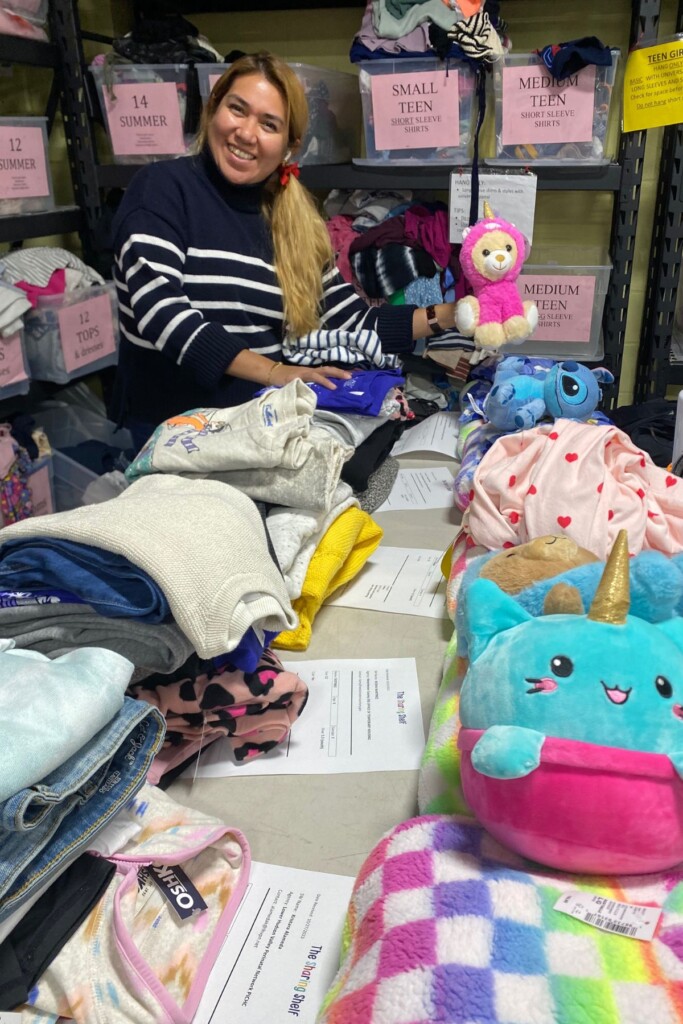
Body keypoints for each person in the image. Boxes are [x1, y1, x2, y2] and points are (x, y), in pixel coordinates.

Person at [109, 51, 458, 449]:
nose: (246, 133)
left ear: (289, 146)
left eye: (268, 124)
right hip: (172, 434)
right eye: (237, 109)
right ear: (212, 109)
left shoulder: (294, 222)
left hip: (258, 430)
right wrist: (276, 371)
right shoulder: (162, 189)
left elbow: (355, 322)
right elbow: (161, 312)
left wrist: (454, 315)